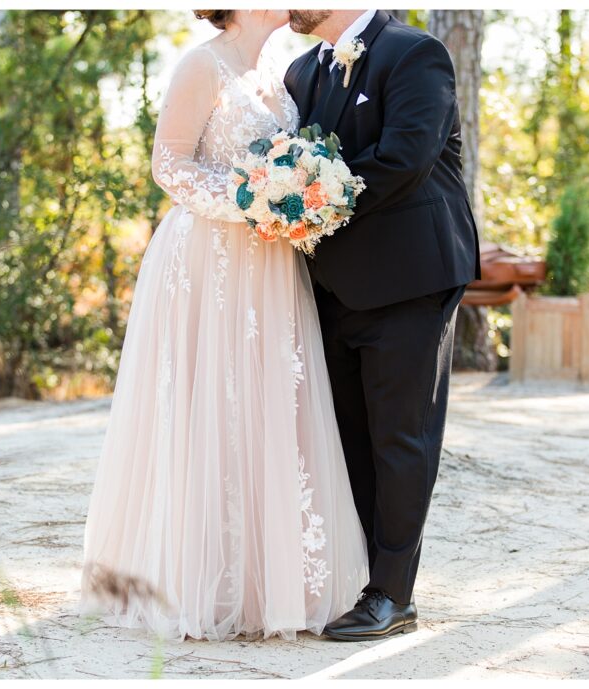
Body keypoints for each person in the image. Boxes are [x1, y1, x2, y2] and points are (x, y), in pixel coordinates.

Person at [78, 9, 369, 642]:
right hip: (207, 259)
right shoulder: (200, 64)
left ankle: (265, 585)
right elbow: (170, 165)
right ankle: (194, 580)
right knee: (208, 404)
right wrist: (252, 200)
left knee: (269, 406)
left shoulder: (279, 71)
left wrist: (296, 201)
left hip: (270, 261)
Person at [284, 9, 482, 640]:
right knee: (348, 440)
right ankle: (361, 579)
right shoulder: (297, 72)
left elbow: (405, 158)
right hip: (329, 285)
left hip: (410, 276)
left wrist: (306, 199)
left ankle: (393, 595)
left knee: (401, 437)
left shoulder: (412, 53)